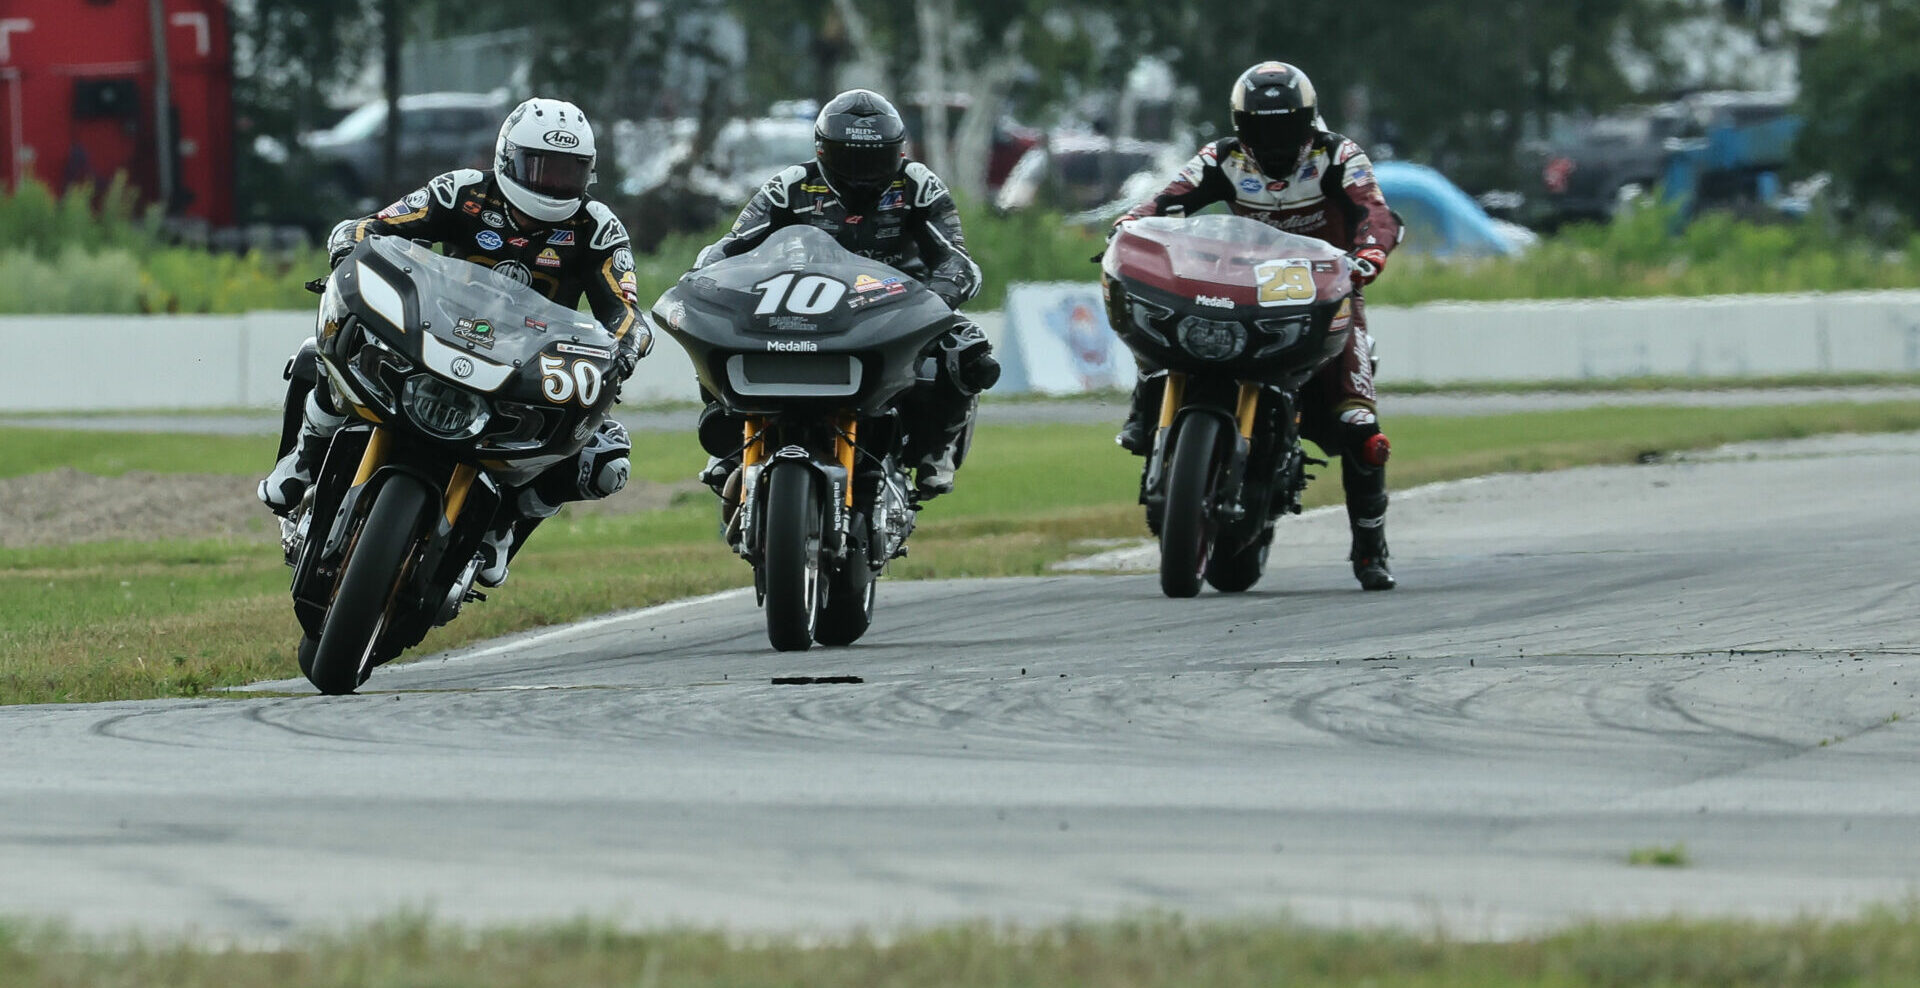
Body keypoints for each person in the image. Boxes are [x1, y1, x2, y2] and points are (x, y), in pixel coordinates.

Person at [259, 96, 651, 587]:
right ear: (507, 157)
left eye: (567, 173)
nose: (552, 185)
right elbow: (378, 227)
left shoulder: (598, 228)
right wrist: (348, 242)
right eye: (540, 168)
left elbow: (626, 309)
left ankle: (504, 525)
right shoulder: (461, 190)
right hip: (434, 334)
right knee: (321, 352)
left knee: (605, 456)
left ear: (588, 174)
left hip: (524, 367)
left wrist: (624, 348)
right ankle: (306, 457)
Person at [1115, 61, 1402, 590]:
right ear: (1241, 124)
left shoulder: (1339, 156)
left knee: (1358, 426)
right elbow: (1167, 199)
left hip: (1322, 298)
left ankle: (1369, 548)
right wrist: (1132, 224)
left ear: (1308, 122)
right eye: (1260, 127)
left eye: (1284, 126)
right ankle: (1145, 411)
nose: (1271, 139)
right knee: (1166, 331)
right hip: (1237, 291)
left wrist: (1368, 253)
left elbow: (1375, 212)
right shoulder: (1223, 157)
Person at [691, 88, 999, 501]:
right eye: (849, 157)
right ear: (822, 150)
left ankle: (934, 452)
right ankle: (730, 441)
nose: (862, 172)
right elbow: (730, 247)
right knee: (715, 333)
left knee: (968, 349)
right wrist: (701, 280)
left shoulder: (918, 186)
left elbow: (958, 262)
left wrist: (934, 304)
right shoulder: (790, 187)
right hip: (800, 305)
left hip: (896, 311)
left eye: (875, 159)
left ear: (899, 152)